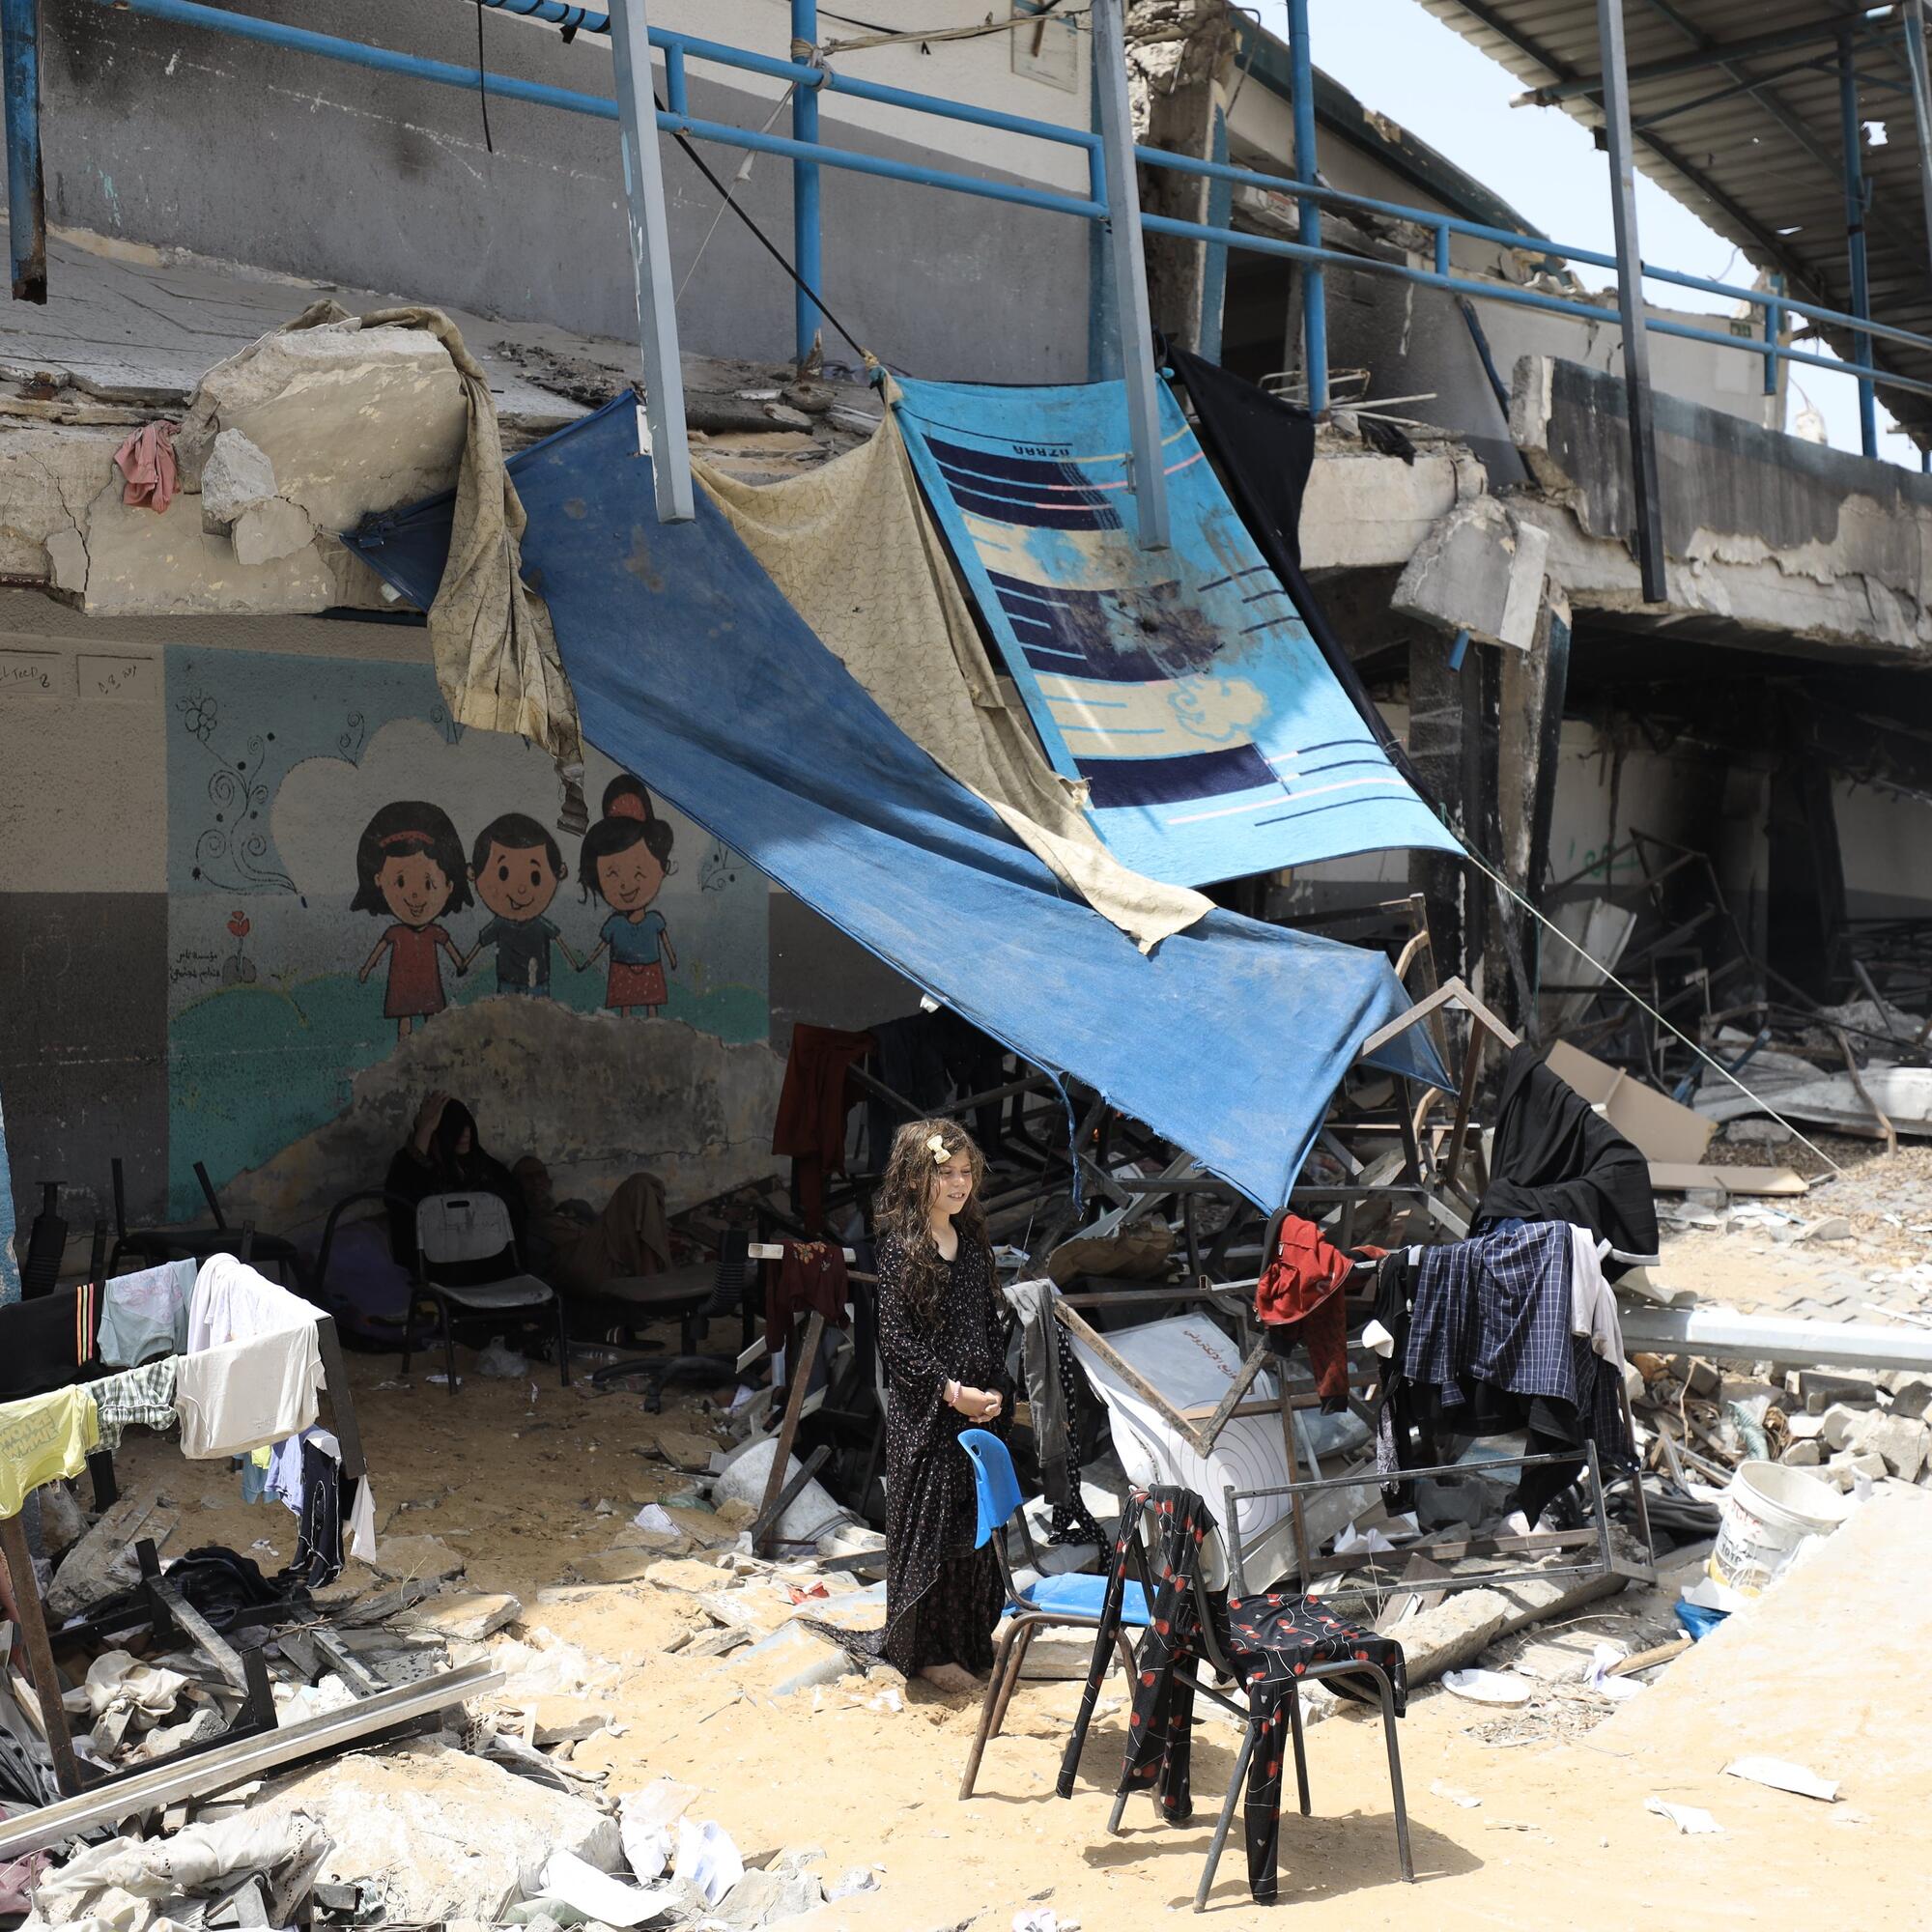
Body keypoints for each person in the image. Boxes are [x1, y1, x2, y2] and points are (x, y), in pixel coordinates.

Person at [865, 1118, 1011, 1694]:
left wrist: (995, 1390)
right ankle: (927, 1651)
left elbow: (988, 1322)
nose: (957, 1184)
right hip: (928, 1417)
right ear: (915, 1177)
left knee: (972, 1533)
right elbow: (896, 1340)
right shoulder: (903, 1249)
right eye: (944, 1173)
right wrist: (950, 1391)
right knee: (931, 1532)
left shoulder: (972, 1245)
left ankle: (970, 1642)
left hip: (976, 1408)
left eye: (964, 1172)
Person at [385, 1093, 669, 1299]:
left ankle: (651, 1287)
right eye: (454, 1127)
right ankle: (651, 1290)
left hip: (596, 1250)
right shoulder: (422, 1170)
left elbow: (513, 1203)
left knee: (643, 1187)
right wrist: (424, 1132)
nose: (465, 1134)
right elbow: (405, 1200)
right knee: (641, 1186)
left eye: (468, 1126)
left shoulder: (487, 1168)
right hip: (464, 1270)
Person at [353, 802, 471, 1041]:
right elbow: (378, 951)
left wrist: (461, 962)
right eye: (401, 882)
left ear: (449, 886)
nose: (415, 895)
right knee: (405, 1023)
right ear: (378, 880)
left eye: (428, 883)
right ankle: (404, 1055)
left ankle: (429, 1053)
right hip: (403, 986)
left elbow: (451, 951)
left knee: (431, 1020)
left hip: (428, 985)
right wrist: (366, 968)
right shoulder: (396, 933)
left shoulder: (434, 932)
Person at [577, 776, 677, 1018]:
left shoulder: (654, 921)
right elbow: (601, 946)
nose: (626, 884)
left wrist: (672, 959)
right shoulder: (615, 925)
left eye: (639, 870)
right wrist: (587, 963)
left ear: (662, 868)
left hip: (650, 968)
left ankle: (653, 1024)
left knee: (651, 1002)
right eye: (611, 873)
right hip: (621, 969)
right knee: (626, 1005)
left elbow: (666, 942)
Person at [462, 812, 581, 997]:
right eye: (503, 874)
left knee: (538, 1020)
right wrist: (464, 963)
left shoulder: (539, 924)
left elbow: (559, 940)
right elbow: (480, 943)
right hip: (508, 982)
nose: (522, 889)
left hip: (537, 983)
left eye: (535, 877)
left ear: (560, 872)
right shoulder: (501, 924)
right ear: (472, 873)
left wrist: (574, 963)